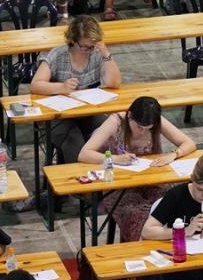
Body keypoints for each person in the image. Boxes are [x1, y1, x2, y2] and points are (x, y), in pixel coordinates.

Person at [77, 96, 195, 241]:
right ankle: (142, 250)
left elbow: (188, 143)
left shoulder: (156, 120)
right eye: (139, 126)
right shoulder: (116, 122)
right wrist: (115, 159)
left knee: (171, 205)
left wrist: (174, 154)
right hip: (119, 187)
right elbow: (84, 153)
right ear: (130, 116)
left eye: (148, 128)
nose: (142, 131)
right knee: (137, 214)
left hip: (152, 180)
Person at [30, 16, 120, 171]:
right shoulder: (58, 55)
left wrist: (105, 53)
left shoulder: (97, 53)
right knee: (75, 144)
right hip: (60, 115)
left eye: (92, 46)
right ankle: (80, 185)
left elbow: (114, 83)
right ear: (72, 40)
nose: (88, 50)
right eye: (84, 46)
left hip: (88, 112)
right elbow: (36, 85)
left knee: (107, 135)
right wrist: (60, 87)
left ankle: (105, 184)